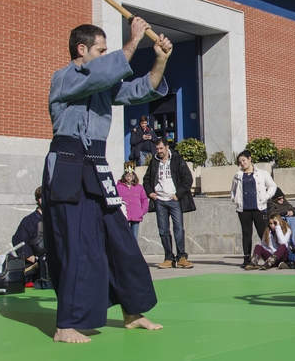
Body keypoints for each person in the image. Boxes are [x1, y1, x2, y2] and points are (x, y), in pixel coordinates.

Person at [44, 19, 171, 341]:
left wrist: (160, 59)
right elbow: (102, 74)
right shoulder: (63, 78)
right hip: (68, 164)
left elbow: (141, 88)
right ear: (81, 49)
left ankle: (132, 311)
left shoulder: (103, 84)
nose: (106, 56)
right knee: (75, 244)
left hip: (97, 166)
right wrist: (133, 40)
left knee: (120, 240)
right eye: (101, 51)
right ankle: (66, 324)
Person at [144, 138, 196, 269]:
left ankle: (181, 257)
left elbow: (188, 179)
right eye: (157, 149)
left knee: (178, 229)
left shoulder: (177, 159)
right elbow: (146, 180)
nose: (159, 151)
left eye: (161, 148)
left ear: (167, 147)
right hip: (160, 200)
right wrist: (150, 193)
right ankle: (168, 258)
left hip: (174, 200)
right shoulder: (154, 162)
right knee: (163, 230)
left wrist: (178, 195)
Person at [230, 149, 277, 270]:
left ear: (250, 159)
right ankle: (246, 258)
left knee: (263, 233)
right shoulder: (238, 175)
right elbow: (233, 191)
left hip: (259, 208)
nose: (242, 163)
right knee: (246, 233)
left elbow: (272, 186)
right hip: (243, 209)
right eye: (240, 162)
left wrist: (266, 197)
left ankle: (269, 257)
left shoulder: (261, 173)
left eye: (244, 160)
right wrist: (235, 200)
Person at [11, 186, 50, 289]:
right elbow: (19, 242)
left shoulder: (55, 220)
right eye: (43, 197)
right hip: (33, 269)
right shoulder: (28, 221)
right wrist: (35, 260)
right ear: (38, 200)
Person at [116, 166, 148, 242]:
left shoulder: (139, 187)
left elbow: (144, 200)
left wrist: (142, 211)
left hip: (136, 215)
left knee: (134, 236)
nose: (128, 178)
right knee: (124, 236)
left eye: (130, 176)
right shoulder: (118, 187)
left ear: (133, 177)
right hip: (124, 215)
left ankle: (134, 249)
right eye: (127, 176)